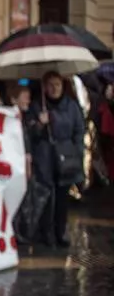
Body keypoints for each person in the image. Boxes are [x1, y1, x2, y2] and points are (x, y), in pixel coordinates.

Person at [29, 72, 85, 248]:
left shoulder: (72, 106)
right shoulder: (38, 105)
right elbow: (31, 133)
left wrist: (77, 152)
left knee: (62, 198)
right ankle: (46, 233)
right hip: (46, 156)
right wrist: (40, 124)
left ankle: (60, 231)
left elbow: (79, 130)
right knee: (47, 197)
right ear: (45, 86)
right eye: (50, 85)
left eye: (57, 84)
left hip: (66, 156)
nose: (54, 89)